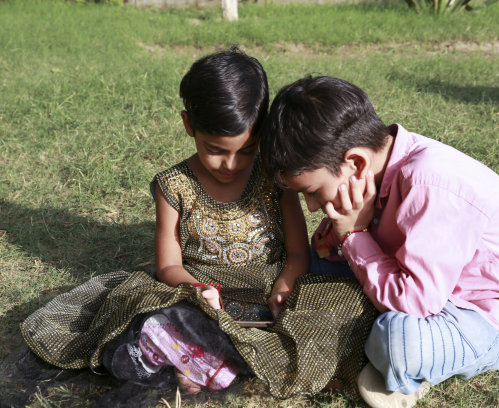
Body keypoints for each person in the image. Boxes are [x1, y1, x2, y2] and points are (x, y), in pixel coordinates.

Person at [20, 52, 377, 399]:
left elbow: (299, 253)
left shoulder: (274, 176)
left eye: (247, 150)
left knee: (343, 302)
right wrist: (199, 289)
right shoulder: (173, 185)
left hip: (269, 293)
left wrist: (285, 284)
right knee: (145, 308)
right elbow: (168, 266)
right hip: (201, 297)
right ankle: (222, 356)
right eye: (215, 149)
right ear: (189, 125)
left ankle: (208, 359)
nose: (230, 164)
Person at [260, 75, 499, 408]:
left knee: (399, 340)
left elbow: (414, 303)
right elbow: (329, 255)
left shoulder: (430, 185)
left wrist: (355, 234)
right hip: (422, 288)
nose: (312, 206)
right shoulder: (367, 173)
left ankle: (404, 371)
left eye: (311, 192)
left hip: (487, 313)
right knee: (318, 280)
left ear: (355, 162)